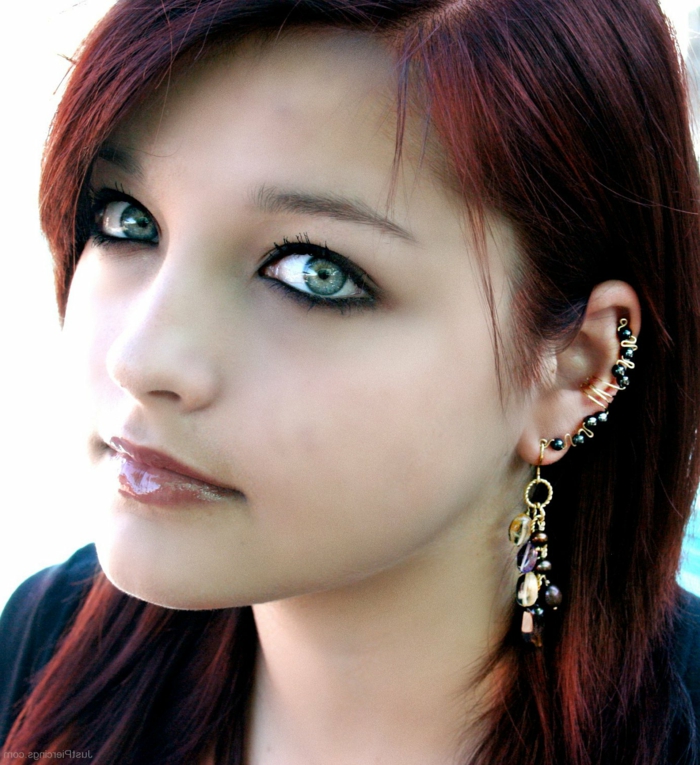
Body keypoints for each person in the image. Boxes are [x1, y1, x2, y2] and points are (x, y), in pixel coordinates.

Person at [2, 0, 700, 762]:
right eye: (128, 221)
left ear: (578, 367)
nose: (140, 359)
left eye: (313, 272)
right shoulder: (43, 649)